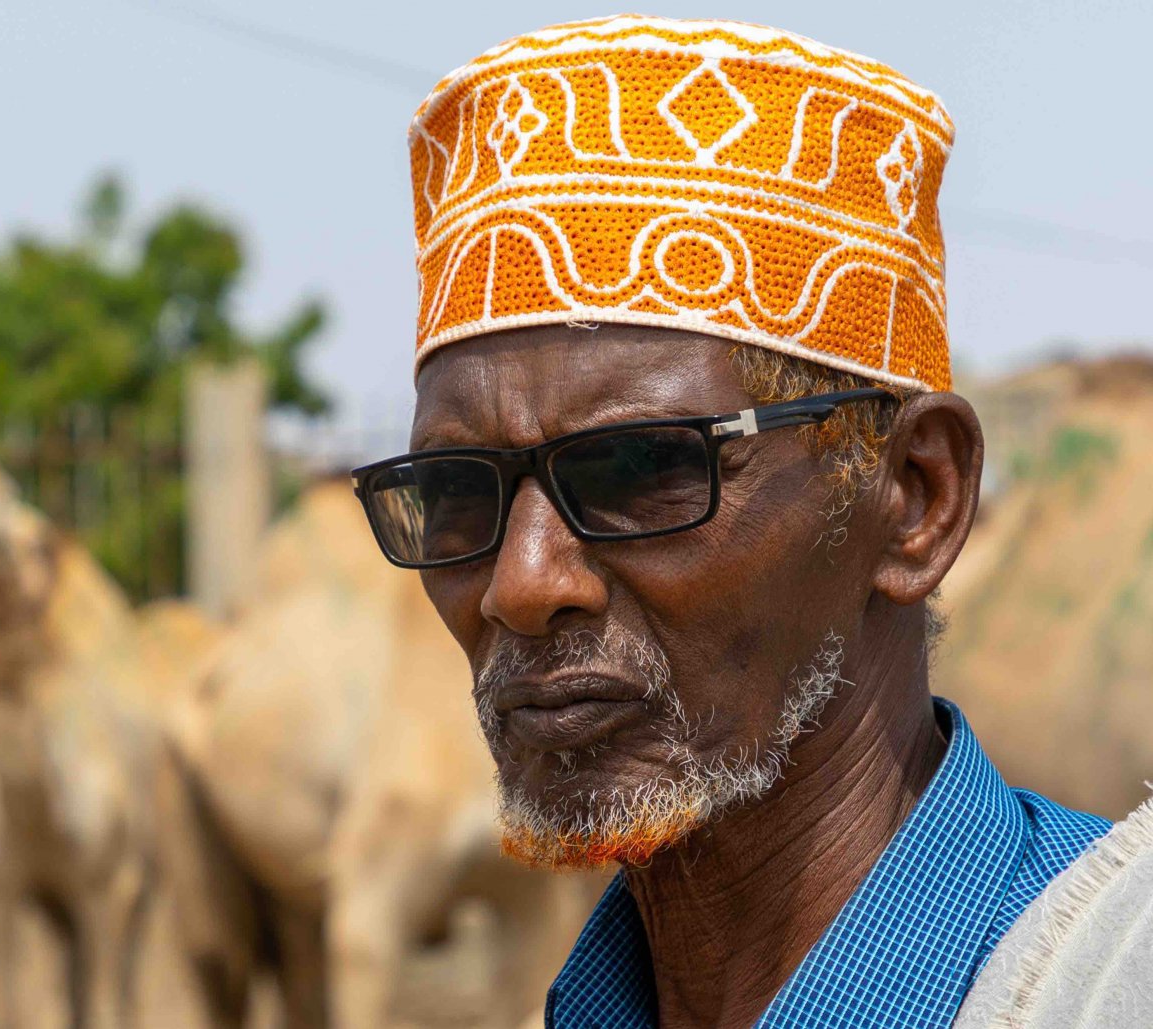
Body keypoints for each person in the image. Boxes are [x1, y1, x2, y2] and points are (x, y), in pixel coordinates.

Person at [351, 15, 1129, 1028]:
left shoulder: (1107, 976)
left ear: (916, 501)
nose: (522, 584)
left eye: (639, 469)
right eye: (458, 494)